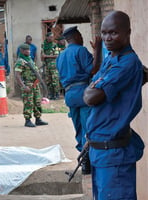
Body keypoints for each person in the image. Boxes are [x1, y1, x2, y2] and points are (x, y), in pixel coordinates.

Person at [83, 11, 145, 200]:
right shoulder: (111, 58)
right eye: (104, 33)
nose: (107, 38)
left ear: (128, 32)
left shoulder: (126, 64)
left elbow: (90, 97)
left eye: (113, 33)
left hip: (113, 154)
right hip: (101, 152)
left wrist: (93, 87)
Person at [56, 26, 101, 174]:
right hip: (83, 93)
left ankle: (83, 159)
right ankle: (87, 161)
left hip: (70, 95)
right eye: (80, 35)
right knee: (88, 127)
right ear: (76, 36)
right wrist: (97, 51)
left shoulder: (61, 56)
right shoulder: (81, 51)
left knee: (78, 128)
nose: (82, 38)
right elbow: (93, 70)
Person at [15, 44, 48, 127]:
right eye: (27, 50)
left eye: (29, 50)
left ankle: (38, 119)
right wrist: (23, 86)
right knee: (28, 103)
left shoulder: (29, 59)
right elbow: (17, 75)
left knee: (37, 102)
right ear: (22, 51)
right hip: (28, 85)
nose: (29, 51)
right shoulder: (20, 61)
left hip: (35, 84)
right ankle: (27, 120)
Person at [41, 32, 60, 99]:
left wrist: (46, 56)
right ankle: (51, 94)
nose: (52, 38)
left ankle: (57, 94)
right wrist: (43, 57)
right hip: (46, 66)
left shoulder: (54, 45)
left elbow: (57, 55)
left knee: (55, 80)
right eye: (51, 37)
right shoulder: (43, 45)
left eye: (53, 37)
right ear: (47, 37)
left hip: (53, 66)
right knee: (48, 80)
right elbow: (42, 55)